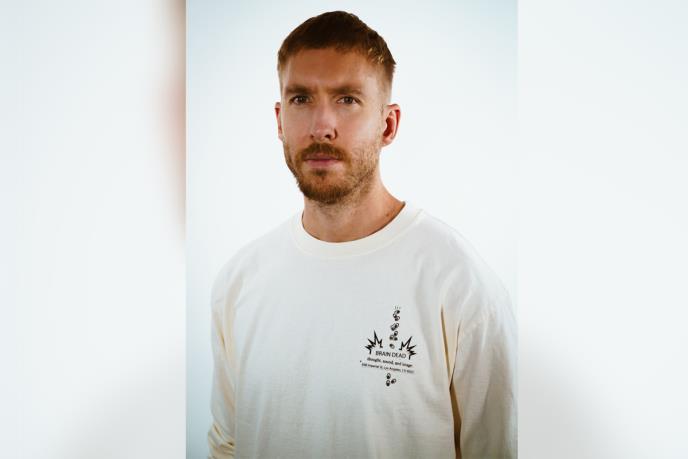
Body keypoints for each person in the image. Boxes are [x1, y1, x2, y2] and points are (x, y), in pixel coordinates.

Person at [207, 11, 517, 459]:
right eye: (301, 99)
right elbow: (227, 445)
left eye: (348, 99)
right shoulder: (238, 282)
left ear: (388, 125)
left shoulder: (459, 284)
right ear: (279, 120)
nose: (321, 126)